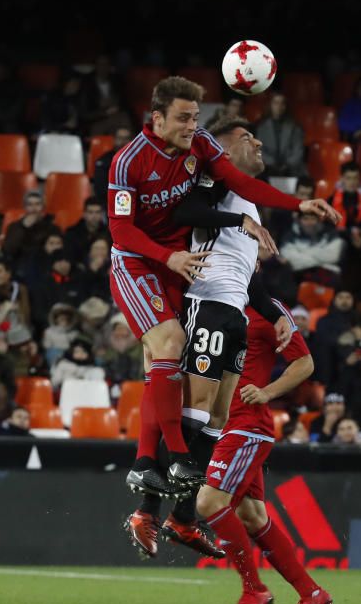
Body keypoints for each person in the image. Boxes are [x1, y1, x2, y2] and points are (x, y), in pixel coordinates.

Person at [108, 76, 340, 490]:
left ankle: (146, 465)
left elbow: (241, 181)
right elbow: (121, 231)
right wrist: (169, 255)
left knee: (161, 369)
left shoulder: (200, 146)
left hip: (180, 266)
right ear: (157, 118)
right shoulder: (128, 161)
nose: (190, 127)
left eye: (196, 117)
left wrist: (297, 203)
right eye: (182, 118)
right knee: (169, 346)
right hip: (140, 263)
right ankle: (175, 458)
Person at [125, 116, 298, 558]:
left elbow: (246, 280)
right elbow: (186, 211)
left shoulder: (248, 202)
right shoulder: (215, 181)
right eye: (246, 138)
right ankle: (146, 510)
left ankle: (182, 518)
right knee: (195, 413)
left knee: (217, 419)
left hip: (233, 311)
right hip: (206, 305)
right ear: (221, 148)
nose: (257, 142)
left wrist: (273, 313)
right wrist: (238, 217)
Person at [195, 301, 332, 604]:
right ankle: (311, 593)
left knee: (209, 501)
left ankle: (253, 589)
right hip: (221, 424)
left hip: (246, 423)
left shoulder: (268, 310)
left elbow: (304, 362)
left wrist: (268, 392)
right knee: (252, 515)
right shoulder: (211, 300)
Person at [328, 161, 361, 296]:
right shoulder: (332, 200)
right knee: (339, 246)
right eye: (348, 178)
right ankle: (340, 291)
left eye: (355, 178)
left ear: (360, 180)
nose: (352, 182)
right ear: (342, 179)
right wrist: (350, 236)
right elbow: (329, 226)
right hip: (342, 238)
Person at [255, 92, 306, 177]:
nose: (279, 107)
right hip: (268, 169)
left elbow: (298, 151)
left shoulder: (295, 127)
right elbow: (260, 150)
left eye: (282, 103)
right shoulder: (261, 127)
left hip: (291, 170)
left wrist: (286, 165)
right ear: (270, 105)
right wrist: (272, 164)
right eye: (276, 103)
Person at [93, 126, 134, 207]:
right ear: (114, 140)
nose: (123, 141)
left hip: (134, 202)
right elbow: (100, 189)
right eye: (120, 138)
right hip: (110, 203)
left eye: (126, 138)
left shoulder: (139, 160)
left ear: (131, 141)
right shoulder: (103, 161)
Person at [64, 197, 110, 265]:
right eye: (90, 212)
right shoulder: (72, 233)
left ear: (101, 214)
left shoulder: (109, 233)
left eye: (97, 212)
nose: (94, 216)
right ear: (84, 214)